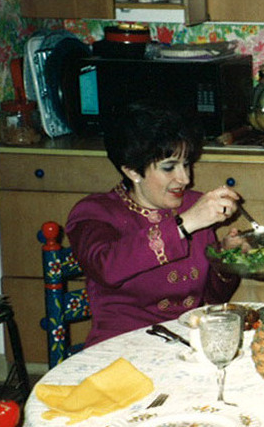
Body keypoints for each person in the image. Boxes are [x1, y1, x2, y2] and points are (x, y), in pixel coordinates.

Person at [66, 101, 244, 346]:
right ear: (132, 171)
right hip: (120, 349)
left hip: (184, 344)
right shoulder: (95, 212)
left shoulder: (192, 205)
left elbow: (214, 299)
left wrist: (225, 259)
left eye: (186, 164)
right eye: (169, 167)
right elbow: (106, 266)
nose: (184, 178)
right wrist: (185, 224)